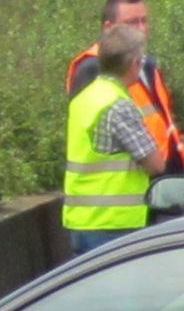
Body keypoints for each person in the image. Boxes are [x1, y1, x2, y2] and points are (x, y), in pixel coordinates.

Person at [61, 22, 163, 256]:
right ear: (135, 64)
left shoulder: (85, 97)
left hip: (82, 222)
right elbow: (155, 163)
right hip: (114, 225)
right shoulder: (118, 105)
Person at [67, 0, 184, 179]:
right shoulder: (92, 67)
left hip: (161, 179)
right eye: (132, 23)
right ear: (109, 28)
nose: (141, 29)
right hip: (126, 183)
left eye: (144, 21)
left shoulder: (147, 65)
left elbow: (163, 124)